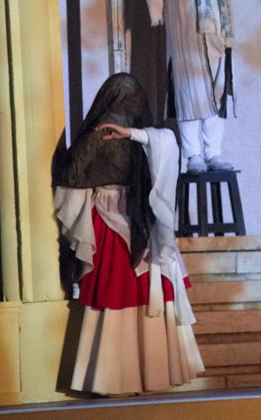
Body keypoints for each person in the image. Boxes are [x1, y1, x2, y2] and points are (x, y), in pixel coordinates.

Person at [53, 73, 204, 395]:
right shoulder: (115, 135)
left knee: (133, 291)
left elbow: (71, 175)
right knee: (121, 290)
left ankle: (122, 377)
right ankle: (126, 377)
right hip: (121, 221)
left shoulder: (137, 136)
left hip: (133, 219)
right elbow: (73, 175)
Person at [141, 0, 236, 174]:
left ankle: (214, 153)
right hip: (187, 33)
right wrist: (157, 14)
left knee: (217, 92)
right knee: (190, 92)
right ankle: (194, 155)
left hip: (219, 32)